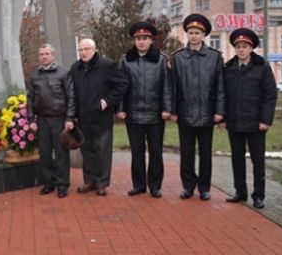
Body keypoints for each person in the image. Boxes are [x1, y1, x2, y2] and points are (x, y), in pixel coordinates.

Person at [171, 14, 225, 201]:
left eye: (197, 33)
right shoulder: (178, 57)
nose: (193, 36)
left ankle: (204, 188)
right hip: (185, 113)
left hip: (206, 113)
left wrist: (219, 111)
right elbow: (173, 87)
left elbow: (220, 87)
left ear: (203, 35)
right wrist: (173, 111)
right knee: (186, 154)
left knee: (205, 153)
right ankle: (188, 186)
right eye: (191, 33)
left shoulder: (214, 57)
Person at [222, 28, 277, 209]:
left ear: (251, 47)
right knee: (237, 159)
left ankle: (259, 195)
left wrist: (265, 120)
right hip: (235, 122)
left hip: (256, 124)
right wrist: (223, 119)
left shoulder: (262, 67)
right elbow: (223, 95)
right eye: (238, 46)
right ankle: (240, 192)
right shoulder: (228, 68)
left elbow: (270, 96)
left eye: (244, 46)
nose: (241, 50)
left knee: (258, 161)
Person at [117, 21, 172, 198]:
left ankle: (155, 186)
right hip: (133, 114)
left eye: (145, 38)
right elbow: (120, 87)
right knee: (137, 152)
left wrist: (167, 108)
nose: (141, 42)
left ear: (151, 40)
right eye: (138, 38)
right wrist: (120, 108)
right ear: (134, 41)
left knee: (156, 152)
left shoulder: (161, 59)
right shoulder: (126, 60)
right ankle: (139, 185)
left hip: (155, 115)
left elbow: (167, 86)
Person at [70, 38, 128, 196]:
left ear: (94, 49)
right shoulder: (75, 68)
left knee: (102, 151)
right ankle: (89, 181)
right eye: (81, 50)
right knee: (87, 151)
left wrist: (108, 100)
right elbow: (72, 92)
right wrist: (72, 115)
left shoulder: (106, 65)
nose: (83, 52)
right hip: (83, 118)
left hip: (102, 117)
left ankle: (102, 183)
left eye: (86, 49)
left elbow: (122, 84)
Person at [27, 43, 76, 198]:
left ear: (53, 55)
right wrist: (31, 119)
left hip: (59, 120)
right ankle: (48, 183)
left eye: (47, 54)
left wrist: (69, 118)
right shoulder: (34, 76)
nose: (44, 56)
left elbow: (71, 97)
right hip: (42, 121)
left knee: (61, 154)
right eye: (41, 54)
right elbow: (30, 100)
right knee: (45, 154)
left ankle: (62, 185)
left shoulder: (64, 73)